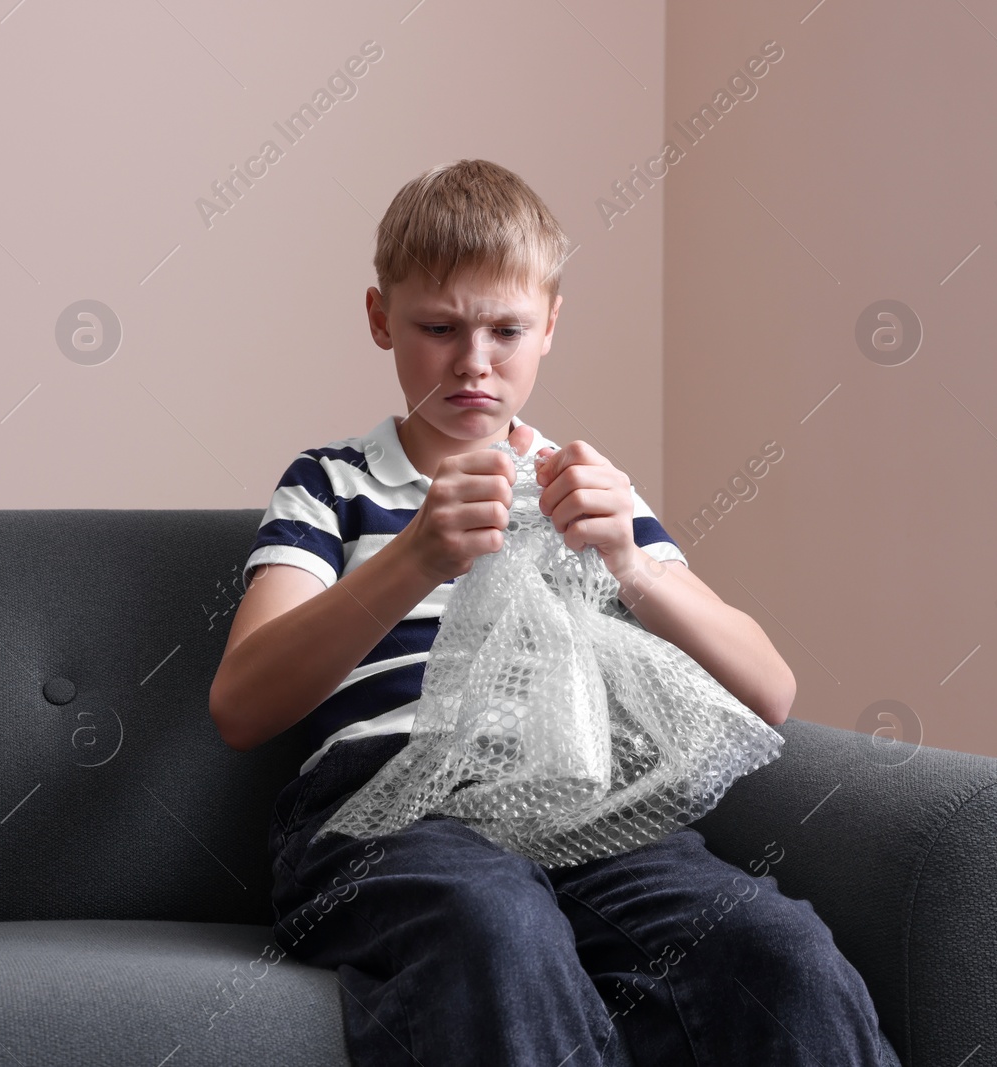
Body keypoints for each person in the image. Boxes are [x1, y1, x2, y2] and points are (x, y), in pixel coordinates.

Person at [208, 159, 902, 1066]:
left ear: (551, 326)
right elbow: (242, 703)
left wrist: (631, 565)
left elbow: (770, 689)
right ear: (380, 319)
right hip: (387, 813)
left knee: (778, 954)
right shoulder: (331, 485)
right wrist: (417, 554)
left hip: (585, 804)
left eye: (507, 329)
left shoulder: (585, 490)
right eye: (438, 328)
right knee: (497, 921)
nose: (474, 362)